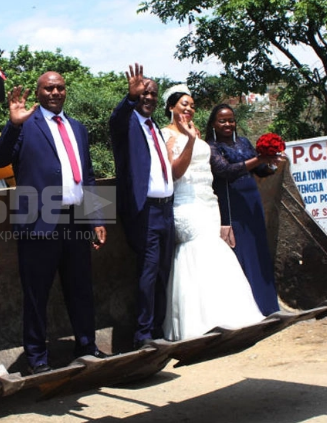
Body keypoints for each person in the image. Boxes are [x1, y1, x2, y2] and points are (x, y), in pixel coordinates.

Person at [0, 71, 108, 374]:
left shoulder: (78, 128)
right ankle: (37, 359)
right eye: (48, 88)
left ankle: (87, 346)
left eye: (59, 88)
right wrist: (13, 125)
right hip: (38, 222)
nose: (55, 92)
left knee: (81, 289)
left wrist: (96, 217)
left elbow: (90, 176)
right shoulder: (26, 126)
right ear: (39, 92)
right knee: (36, 294)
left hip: (75, 221)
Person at [160, 85, 264, 341]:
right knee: (198, 251)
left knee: (215, 252)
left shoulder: (197, 132)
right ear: (171, 107)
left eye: (192, 105)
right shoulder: (166, 135)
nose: (189, 109)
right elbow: (175, 173)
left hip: (208, 201)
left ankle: (227, 313)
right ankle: (198, 321)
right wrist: (191, 140)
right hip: (186, 203)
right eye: (183, 104)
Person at [109, 63, 175, 349]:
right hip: (144, 211)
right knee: (148, 271)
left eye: (152, 94)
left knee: (163, 270)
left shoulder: (155, 129)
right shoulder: (128, 124)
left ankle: (159, 327)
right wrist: (130, 98)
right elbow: (116, 119)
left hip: (166, 210)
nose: (148, 98)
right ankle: (143, 334)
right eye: (144, 93)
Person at [205, 104, 282, 315]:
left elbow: (260, 170)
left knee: (259, 251)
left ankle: (268, 305)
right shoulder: (212, 147)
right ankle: (250, 308)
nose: (228, 124)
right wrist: (259, 158)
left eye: (231, 120)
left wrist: (271, 163)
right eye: (222, 121)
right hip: (232, 203)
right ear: (213, 124)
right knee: (242, 253)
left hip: (252, 201)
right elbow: (226, 171)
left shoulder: (244, 142)